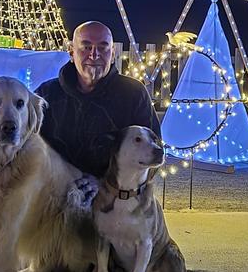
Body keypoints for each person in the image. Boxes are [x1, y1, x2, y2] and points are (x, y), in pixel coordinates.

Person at [37, 21, 161, 179]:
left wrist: (109, 187)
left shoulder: (134, 94)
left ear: (113, 52)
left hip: (113, 197)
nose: (94, 55)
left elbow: (154, 152)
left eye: (102, 47)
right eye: (86, 47)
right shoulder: (47, 94)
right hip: (55, 192)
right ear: (71, 52)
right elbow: (28, 146)